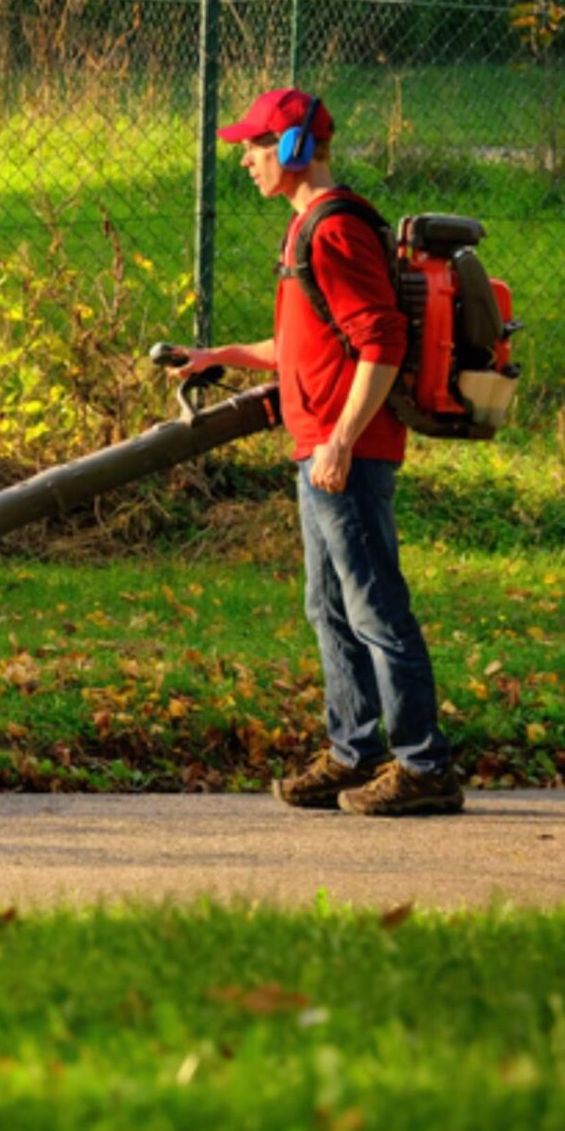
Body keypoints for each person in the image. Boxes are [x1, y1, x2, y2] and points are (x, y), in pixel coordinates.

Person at [167, 88, 462, 817]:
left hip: (345, 453)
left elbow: (382, 340)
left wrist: (342, 439)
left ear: (295, 148)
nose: (245, 160)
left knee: (375, 608)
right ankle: (352, 752)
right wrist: (219, 355)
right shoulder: (307, 229)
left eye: (256, 147)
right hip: (323, 447)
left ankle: (423, 765)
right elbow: (302, 343)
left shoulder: (332, 231)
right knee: (329, 608)